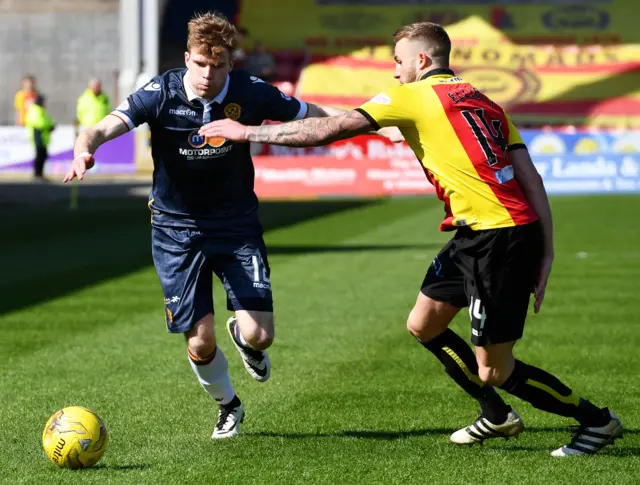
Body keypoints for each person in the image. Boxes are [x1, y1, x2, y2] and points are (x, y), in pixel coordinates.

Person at [199, 22, 623, 456]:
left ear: (421, 60)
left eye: (399, 62)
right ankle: (495, 415)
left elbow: (328, 129)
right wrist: (547, 248)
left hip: (501, 237)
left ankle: (597, 421)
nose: (395, 72)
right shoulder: (485, 100)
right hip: (477, 232)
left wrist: (246, 132)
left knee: (495, 369)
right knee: (424, 324)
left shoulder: (413, 94)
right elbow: (530, 179)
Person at [62, 11, 399, 439]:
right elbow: (104, 126)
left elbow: (313, 114)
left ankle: (242, 336)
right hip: (175, 230)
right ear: (187, 57)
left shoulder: (249, 92)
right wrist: (83, 149)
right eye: (201, 63)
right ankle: (229, 407)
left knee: (261, 336)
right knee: (199, 343)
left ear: (230, 64)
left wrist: (373, 124)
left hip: (236, 223)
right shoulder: (159, 93)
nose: (208, 74)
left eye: (218, 65)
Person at [25, 94, 55, 180]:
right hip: (38, 135)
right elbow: (39, 123)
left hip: (43, 135)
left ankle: (40, 173)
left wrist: (50, 125)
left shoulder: (40, 110)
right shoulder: (35, 110)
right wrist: (49, 126)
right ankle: (37, 174)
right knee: (40, 155)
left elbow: (46, 120)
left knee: (43, 155)